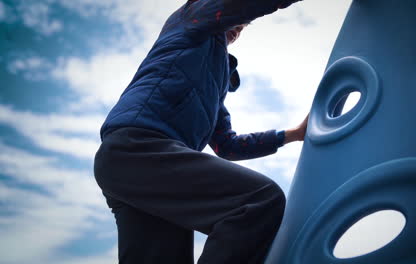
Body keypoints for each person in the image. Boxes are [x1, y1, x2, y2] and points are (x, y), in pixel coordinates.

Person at [93, 0, 307, 263]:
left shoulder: (216, 86)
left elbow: (227, 146)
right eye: (237, 20)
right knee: (258, 201)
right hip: (137, 147)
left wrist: (293, 134)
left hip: (138, 169)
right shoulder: (192, 17)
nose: (239, 28)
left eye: (243, 27)